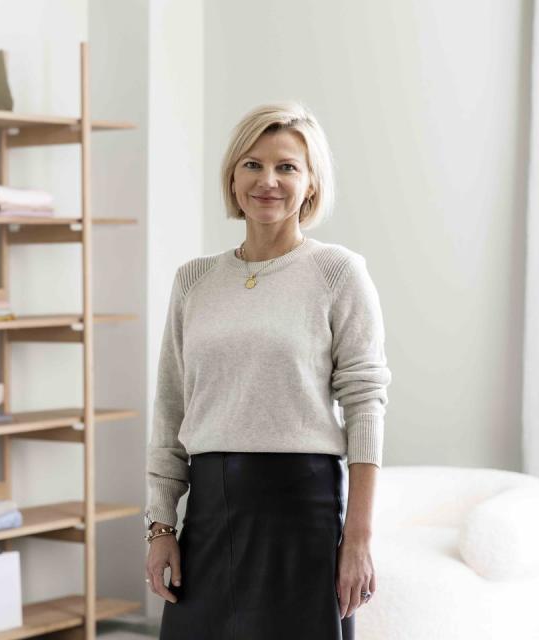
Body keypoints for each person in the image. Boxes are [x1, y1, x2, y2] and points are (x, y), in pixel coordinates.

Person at [144, 102, 391, 639]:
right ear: (232, 177)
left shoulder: (338, 273)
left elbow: (365, 404)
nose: (268, 181)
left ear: (310, 184)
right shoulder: (194, 280)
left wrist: (358, 539)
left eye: (287, 167)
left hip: (301, 510)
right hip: (208, 511)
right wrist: (161, 525)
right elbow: (170, 408)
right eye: (252, 164)